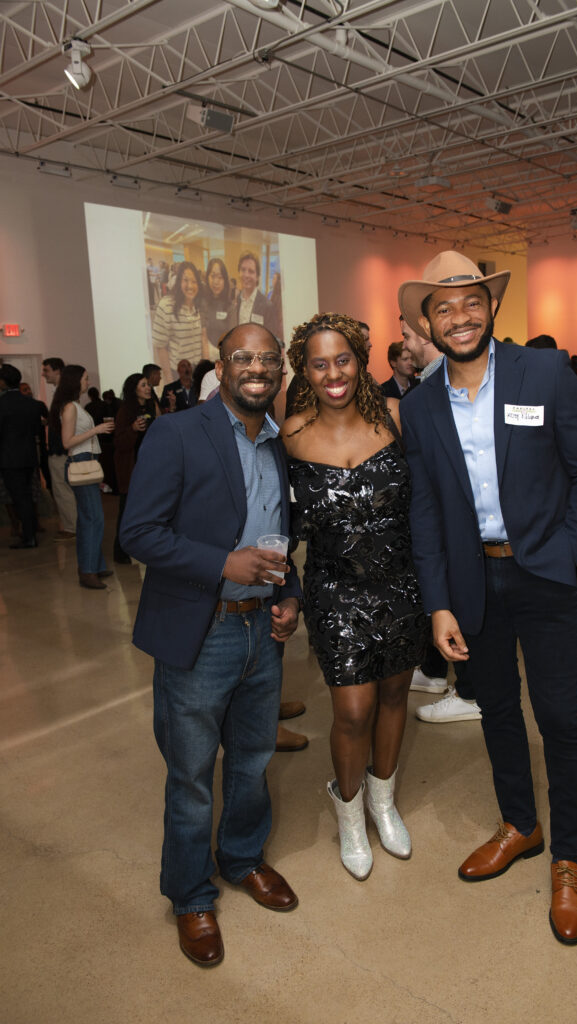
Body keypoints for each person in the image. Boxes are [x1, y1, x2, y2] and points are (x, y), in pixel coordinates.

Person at [398, 250, 577, 945]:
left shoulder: (542, 372)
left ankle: (569, 856)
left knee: (559, 717)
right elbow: (425, 511)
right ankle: (520, 823)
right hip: (470, 584)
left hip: (545, 575)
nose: (458, 317)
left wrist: (570, 554)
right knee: (494, 709)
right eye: (442, 307)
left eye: (470, 302)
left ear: (489, 308)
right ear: (425, 321)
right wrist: (437, 603)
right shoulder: (420, 403)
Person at [119, 323, 301, 968]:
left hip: (263, 631)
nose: (257, 368)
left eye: (268, 359)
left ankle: (244, 859)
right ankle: (191, 895)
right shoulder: (177, 432)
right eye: (243, 357)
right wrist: (223, 564)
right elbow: (138, 532)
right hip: (201, 632)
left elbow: (281, 535)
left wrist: (289, 596)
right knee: (192, 777)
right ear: (220, 366)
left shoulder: (279, 443)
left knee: (251, 762)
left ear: (282, 370)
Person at [283, 312, 428, 882]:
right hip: (334, 589)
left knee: (395, 696)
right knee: (352, 709)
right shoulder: (291, 433)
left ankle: (383, 803)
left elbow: (429, 499)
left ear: (359, 359)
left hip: (401, 584)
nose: (333, 372)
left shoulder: (396, 416)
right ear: (306, 371)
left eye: (342, 359)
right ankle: (348, 814)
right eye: (319, 364)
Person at [399, 313, 480, 724]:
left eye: (407, 336)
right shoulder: (422, 392)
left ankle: (469, 690)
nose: (404, 345)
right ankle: (446, 676)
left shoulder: (436, 385)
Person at [49, 365, 115, 589]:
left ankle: (94, 565)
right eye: (85, 378)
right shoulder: (70, 408)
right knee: (92, 519)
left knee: (92, 518)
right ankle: (88, 570)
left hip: (87, 461)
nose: (88, 382)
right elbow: (67, 442)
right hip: (80, 462)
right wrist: (96, 430)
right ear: (75, 381)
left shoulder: (75, 405)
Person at [113, 374, 156, 564]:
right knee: (127, 510)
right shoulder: (125, 410)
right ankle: (120, 551)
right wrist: (132, 429)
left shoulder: (150, 406)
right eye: (143, 385)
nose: (148, 388)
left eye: (148, 385)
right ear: (134, 389)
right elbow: (119, 442)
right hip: (131, 467)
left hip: (149, 466)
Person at [0, 364, 43, 549]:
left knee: (20, 498)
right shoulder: (32, 404)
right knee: (27, 496)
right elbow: (37, 430)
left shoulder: (2, 404)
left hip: (9, 458)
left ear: (2, 382)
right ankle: (31, 531)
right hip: (29, 456)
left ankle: (29, 536)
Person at [41, 357, 77, 539]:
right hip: (62, 448)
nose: (43, 374)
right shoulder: (63, 393)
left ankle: (72, 527)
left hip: (61, 450)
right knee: (65, 489)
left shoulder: (63, 394)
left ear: (57, 371)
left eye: (46, 370)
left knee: (63, 489)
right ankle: (72, 525)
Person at [152, 261, 203, 383]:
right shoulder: (167, 306)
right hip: (178, 374)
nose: (190, 285)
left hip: (197, 373)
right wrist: (169, 379)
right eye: (186, 280)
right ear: (179, 281)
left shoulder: (198, 306)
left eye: (194, 281)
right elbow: (160, 346)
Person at [232, 252, 278, 338]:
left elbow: (272, 339)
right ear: (239, 272)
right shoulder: (237, 300)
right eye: (243, 270)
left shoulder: (267, 306)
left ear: (257, 276)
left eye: (251, 271)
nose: (246, 275)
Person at [201, 258, 233, 360]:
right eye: (213, 276)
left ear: (225, 280)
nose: (216, 282)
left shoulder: (230, 306)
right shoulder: (202, 302)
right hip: (205, 354)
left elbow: (231, 336)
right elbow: (202, 333)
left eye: (220, 277)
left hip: (224, 356)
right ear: (207, 277)